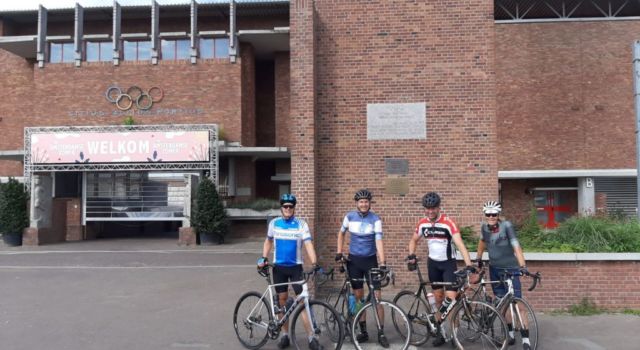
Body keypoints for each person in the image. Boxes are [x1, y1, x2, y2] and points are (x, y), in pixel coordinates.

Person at [407, 191, 474, 347]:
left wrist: (469, 265)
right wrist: (411, 254)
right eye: (427, 208)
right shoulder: (422, 223)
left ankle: (455, 336)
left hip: (448, 264)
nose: (430, 211)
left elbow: (460, 245)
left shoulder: (448, 223)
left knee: (450, 301)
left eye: (433, 208)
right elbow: (413, 240)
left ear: (439, 208)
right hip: (433, 265)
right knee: (438, 300)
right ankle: (441, 332)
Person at [257, 193, 321, 350]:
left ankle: (311, 338)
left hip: (295, 268)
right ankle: (284, 335)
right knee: (282, 301)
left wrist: (314, 262)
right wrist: (263, 258)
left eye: (290, 206)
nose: (288, 209)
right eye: (285, 206)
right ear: (281, 208)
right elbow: (268, 241)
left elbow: (308, 245)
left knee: (302, 301)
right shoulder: (274, 223)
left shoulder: (301, 224)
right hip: (279, 268)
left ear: (294, 208)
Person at [335, 189, 389, 348]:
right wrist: (339, 252)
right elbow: (341, 233)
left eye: (366, 201)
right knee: (358, 297)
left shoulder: (375, 219)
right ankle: (363, 331)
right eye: (361, 202)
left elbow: (379, 241)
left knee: (377, 297)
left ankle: (381, 332)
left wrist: (383, 262)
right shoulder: (349, 217)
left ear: (369, 203)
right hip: (354, 262)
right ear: (357, 203)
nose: (364, 204)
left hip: (371, 261)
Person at [476, 200, 531, 350]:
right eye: (488, 214)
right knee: (502, 304)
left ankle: (526, 339)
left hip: (511, 269)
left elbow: (516, 246)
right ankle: (510, 334)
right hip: (495, 269)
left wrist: (523, 266)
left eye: (494, 214)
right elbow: (482, 242)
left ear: (498, 214)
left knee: (518, 304)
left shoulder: (506, 226)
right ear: (485, 215)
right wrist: (478, 258)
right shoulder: (484, 227)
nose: (491, 216)